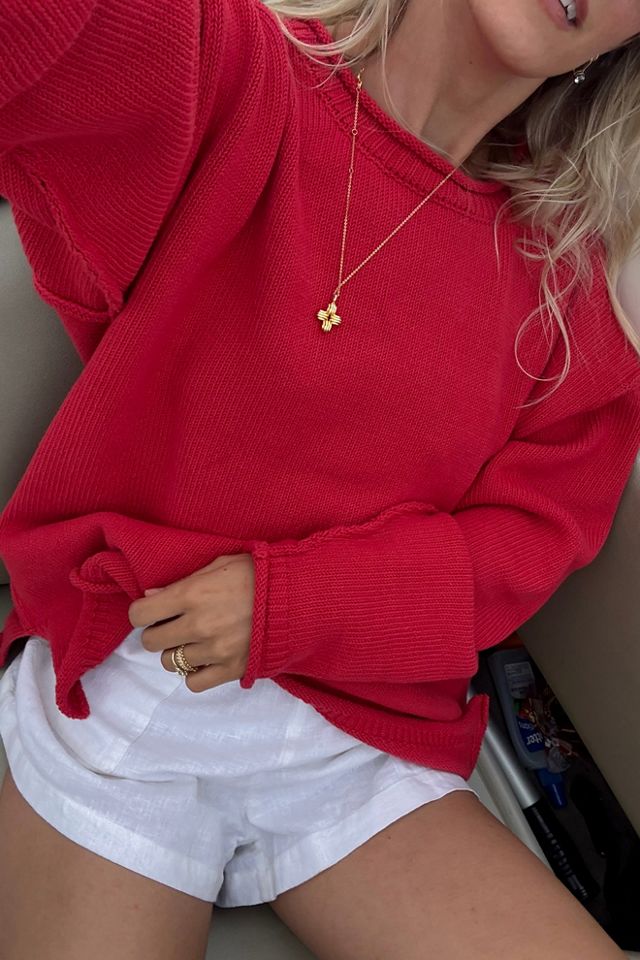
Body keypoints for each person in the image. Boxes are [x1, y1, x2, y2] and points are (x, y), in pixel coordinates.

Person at [0, 0, 639, 957]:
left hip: (363, 743)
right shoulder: (230, 70)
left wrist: (295, 604)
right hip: (128, 689)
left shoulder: (573, 280)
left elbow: (522, 544)